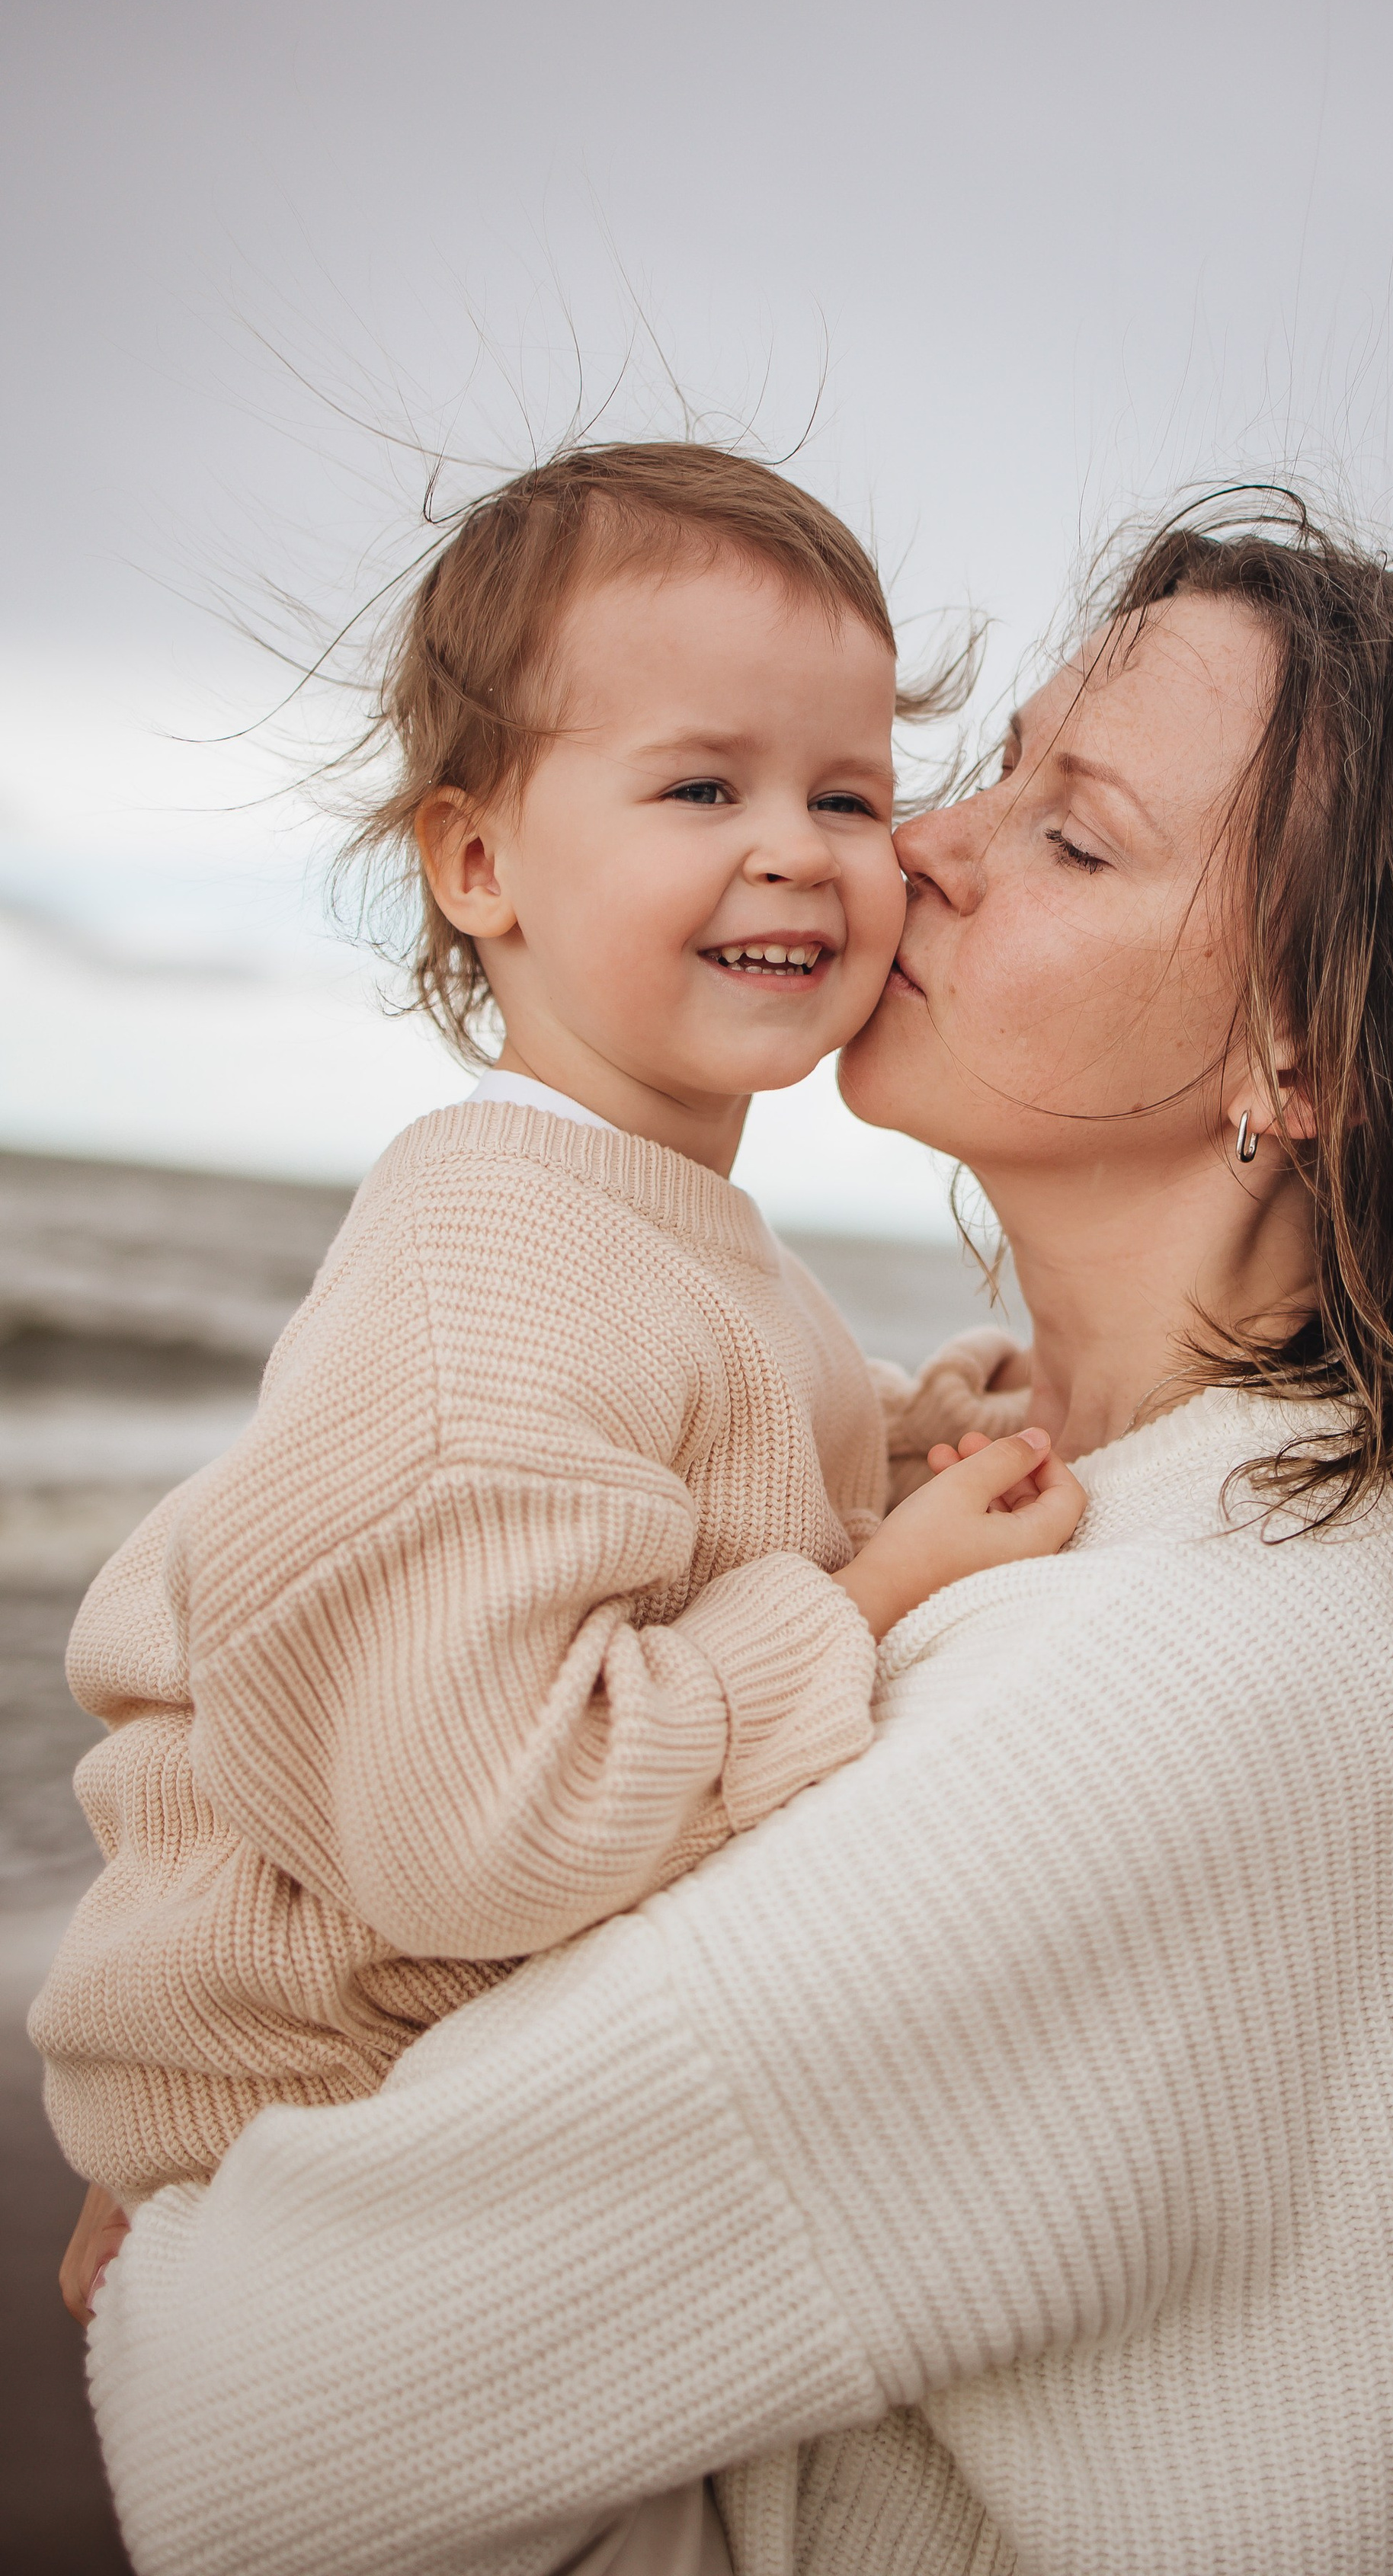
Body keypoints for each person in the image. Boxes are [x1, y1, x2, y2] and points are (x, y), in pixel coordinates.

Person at [82, 496, 1393, 2576]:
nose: (915, 842)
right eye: (991, 767)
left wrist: (204, 2193)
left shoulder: (1162, 1680)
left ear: (1310, 1051)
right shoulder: (1098, 1507)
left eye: (1072, 835)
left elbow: (242, 2423)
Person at [33, 443, 1080, 2344]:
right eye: (700, 786)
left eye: (848, 794)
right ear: (477, 863)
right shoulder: (494, 1264)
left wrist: (924, 1421)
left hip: (410, 2074)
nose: (799, 848)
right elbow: (481, 1821)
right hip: (315, 2114)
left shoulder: (653, 1224)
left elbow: (717, 1457)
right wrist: (874, 1594)